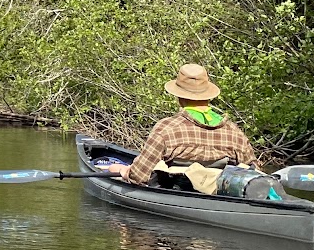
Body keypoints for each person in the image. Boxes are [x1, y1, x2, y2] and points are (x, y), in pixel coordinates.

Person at [100, 63, 260, 192]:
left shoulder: (166, 128)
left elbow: (138, 176)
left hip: (178, 193)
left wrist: (122, 170)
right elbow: (253, 172)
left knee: (118, 166)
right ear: (208, 96)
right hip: (218, 194)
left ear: (179, 97)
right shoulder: (233, 132)